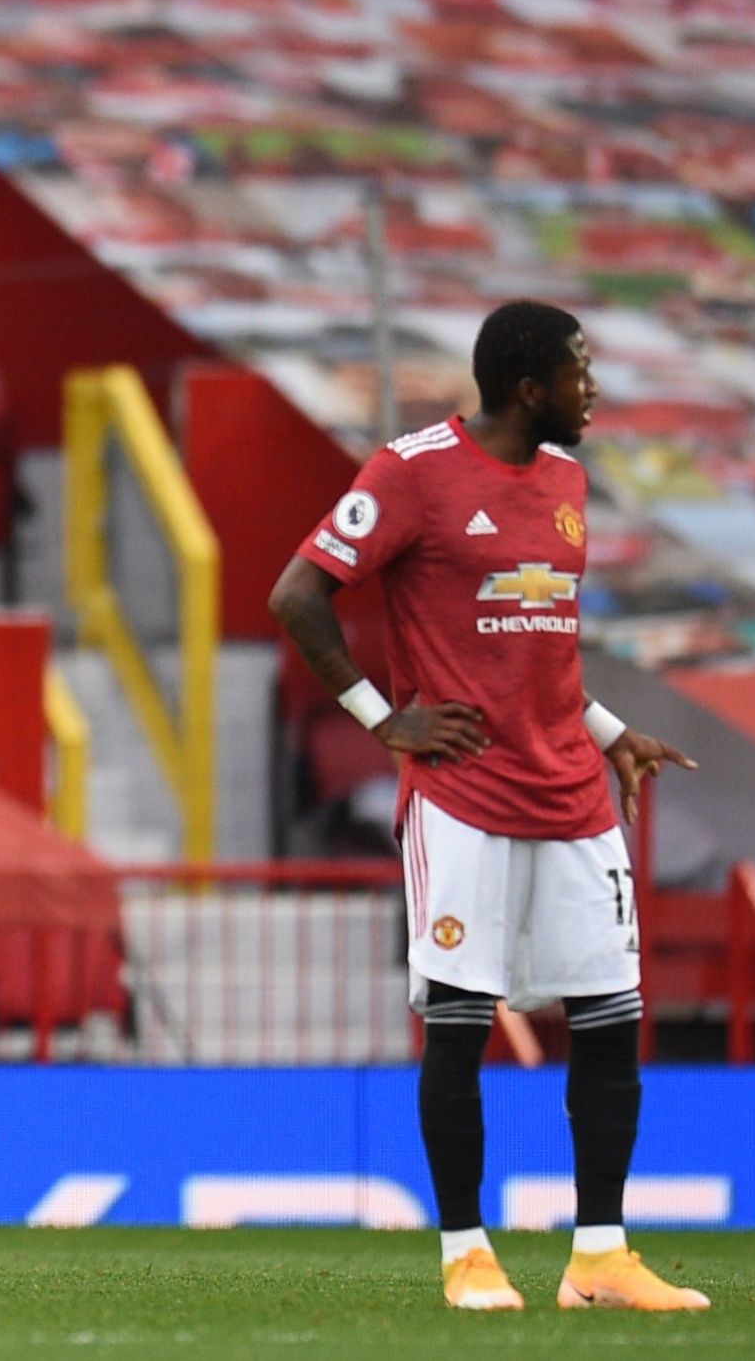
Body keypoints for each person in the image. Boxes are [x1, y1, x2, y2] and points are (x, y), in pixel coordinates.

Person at [269, 301, 707, 1314]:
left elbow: (536, 651)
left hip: (572, 793)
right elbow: (297, 594)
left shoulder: (565, 481)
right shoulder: (412, 470)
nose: (592, 390)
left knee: (608, 1018)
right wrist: (385, 720)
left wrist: (611, 735)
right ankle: (467, 1255)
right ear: (528, 387)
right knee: (460, 1024)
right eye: (579, 372)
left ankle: (601, 1256)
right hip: (464, 794)